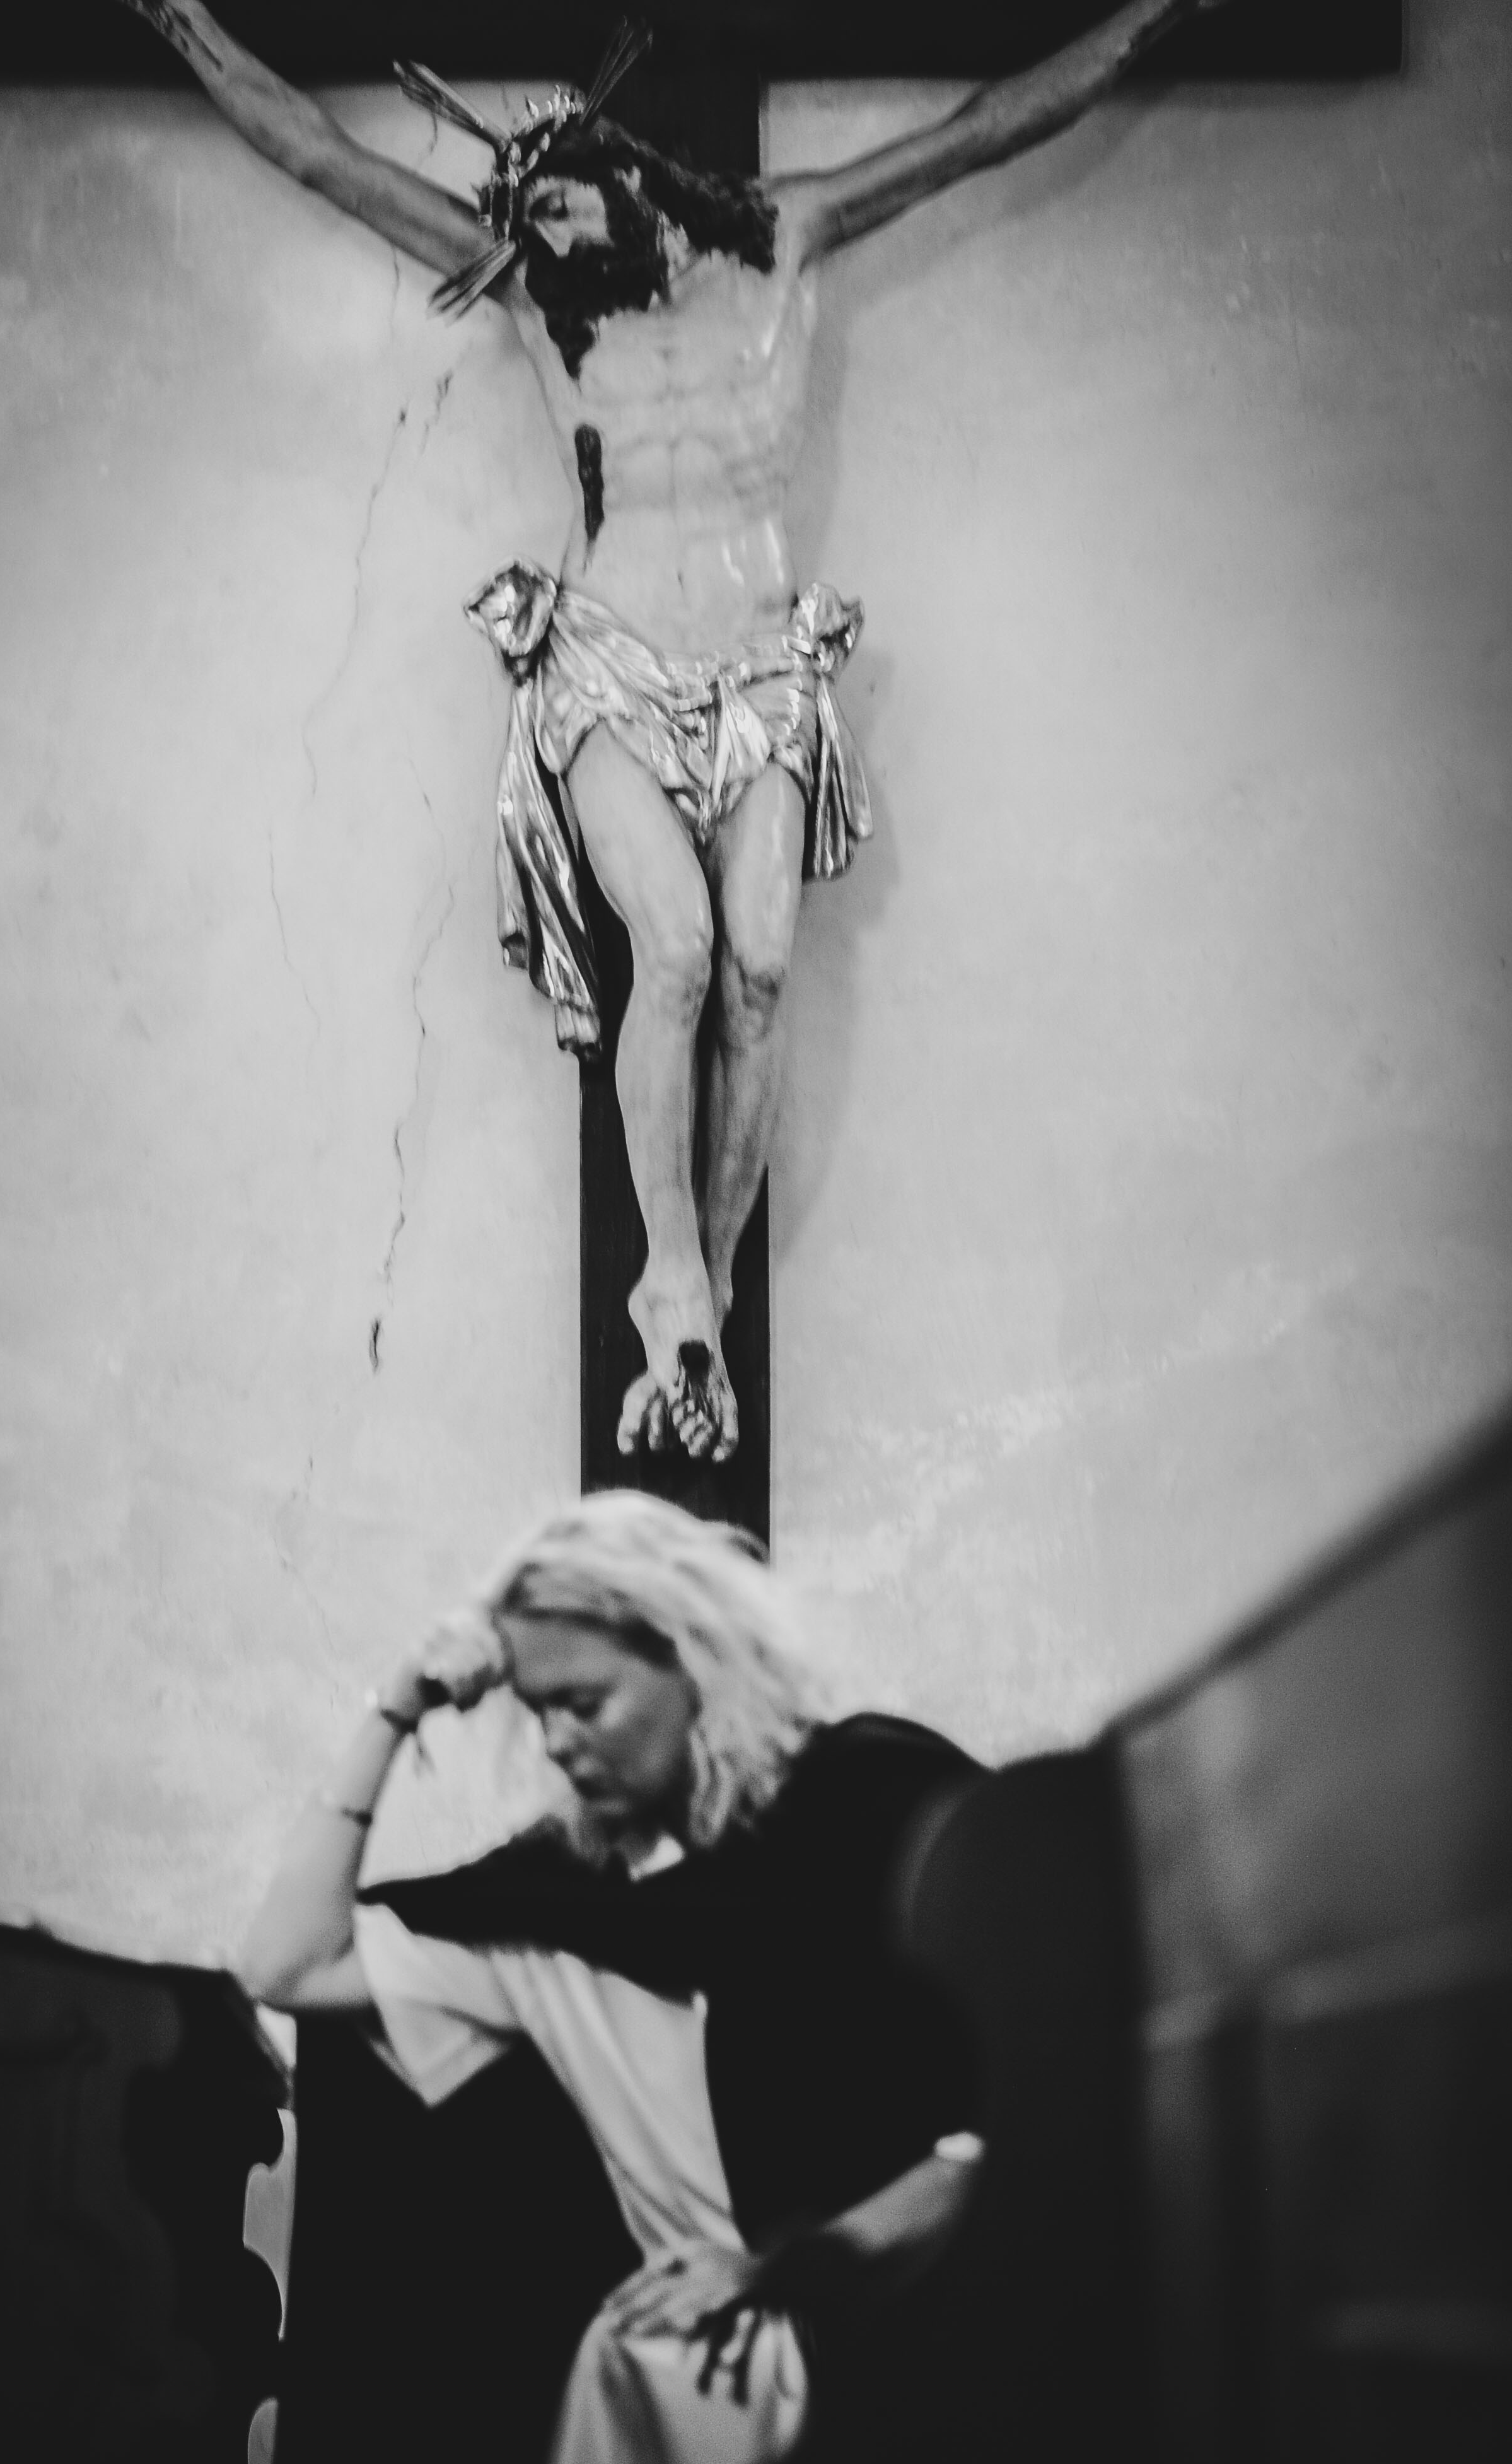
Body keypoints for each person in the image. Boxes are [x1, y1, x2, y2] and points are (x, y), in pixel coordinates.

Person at [119, 2, 1234, 1465]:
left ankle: (697, 1293)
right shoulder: (541, 297)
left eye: (559, 201)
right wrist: (185, 25)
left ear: (621, 169)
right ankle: (672, 1278)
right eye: (528, 222)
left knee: (761, 967)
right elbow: (327, 159)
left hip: (762, 671)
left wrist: (1151, 17)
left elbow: (982, 131)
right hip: (609, 669)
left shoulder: (787, 236)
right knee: (684, 948)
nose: (545, 233)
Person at [238, 1490, 987, 2464]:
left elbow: (1017, 2114)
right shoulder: (558, 1906)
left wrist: (790, 2265)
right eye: (539, 1712)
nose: (558, 1742)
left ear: (694, 1658)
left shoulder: (877, 1807)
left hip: (898, 2361)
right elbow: (285, 1966)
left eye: (585, 1703)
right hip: (680, 2383)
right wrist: (394, 1709)